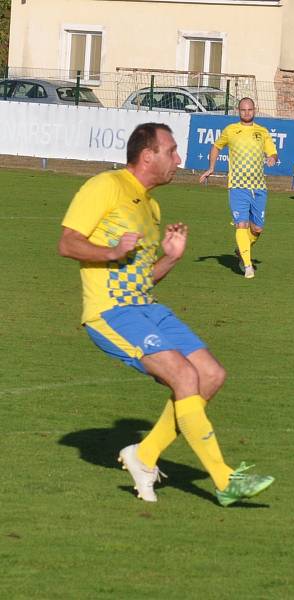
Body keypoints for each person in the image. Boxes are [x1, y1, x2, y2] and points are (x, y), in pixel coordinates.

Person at [59, 123, 275, 507]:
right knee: (184, 375)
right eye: (172, 151)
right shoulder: (105, 186)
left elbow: (143, 277)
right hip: (111, 312)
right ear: (148, 156)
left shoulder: (151, 205)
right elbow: (67, 242)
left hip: (147, 307)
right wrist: (110, 252)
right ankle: (225, 480)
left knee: (211, 374)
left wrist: (171, 258)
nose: (179, 159)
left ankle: (143, 456)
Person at [199, 97, 278, 279]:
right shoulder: (231, 130)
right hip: (237, 186)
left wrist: (272, 158)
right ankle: (247, 265)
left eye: (249, 109)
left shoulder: (262, 131)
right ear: (238, 111)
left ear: (254, 110)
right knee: (241, 225)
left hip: (259, 187)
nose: (246, 113)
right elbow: (216, 146)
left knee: (257, 229)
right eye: (243, 110)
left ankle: (241, 250)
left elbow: (272, 151)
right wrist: (211, 168)